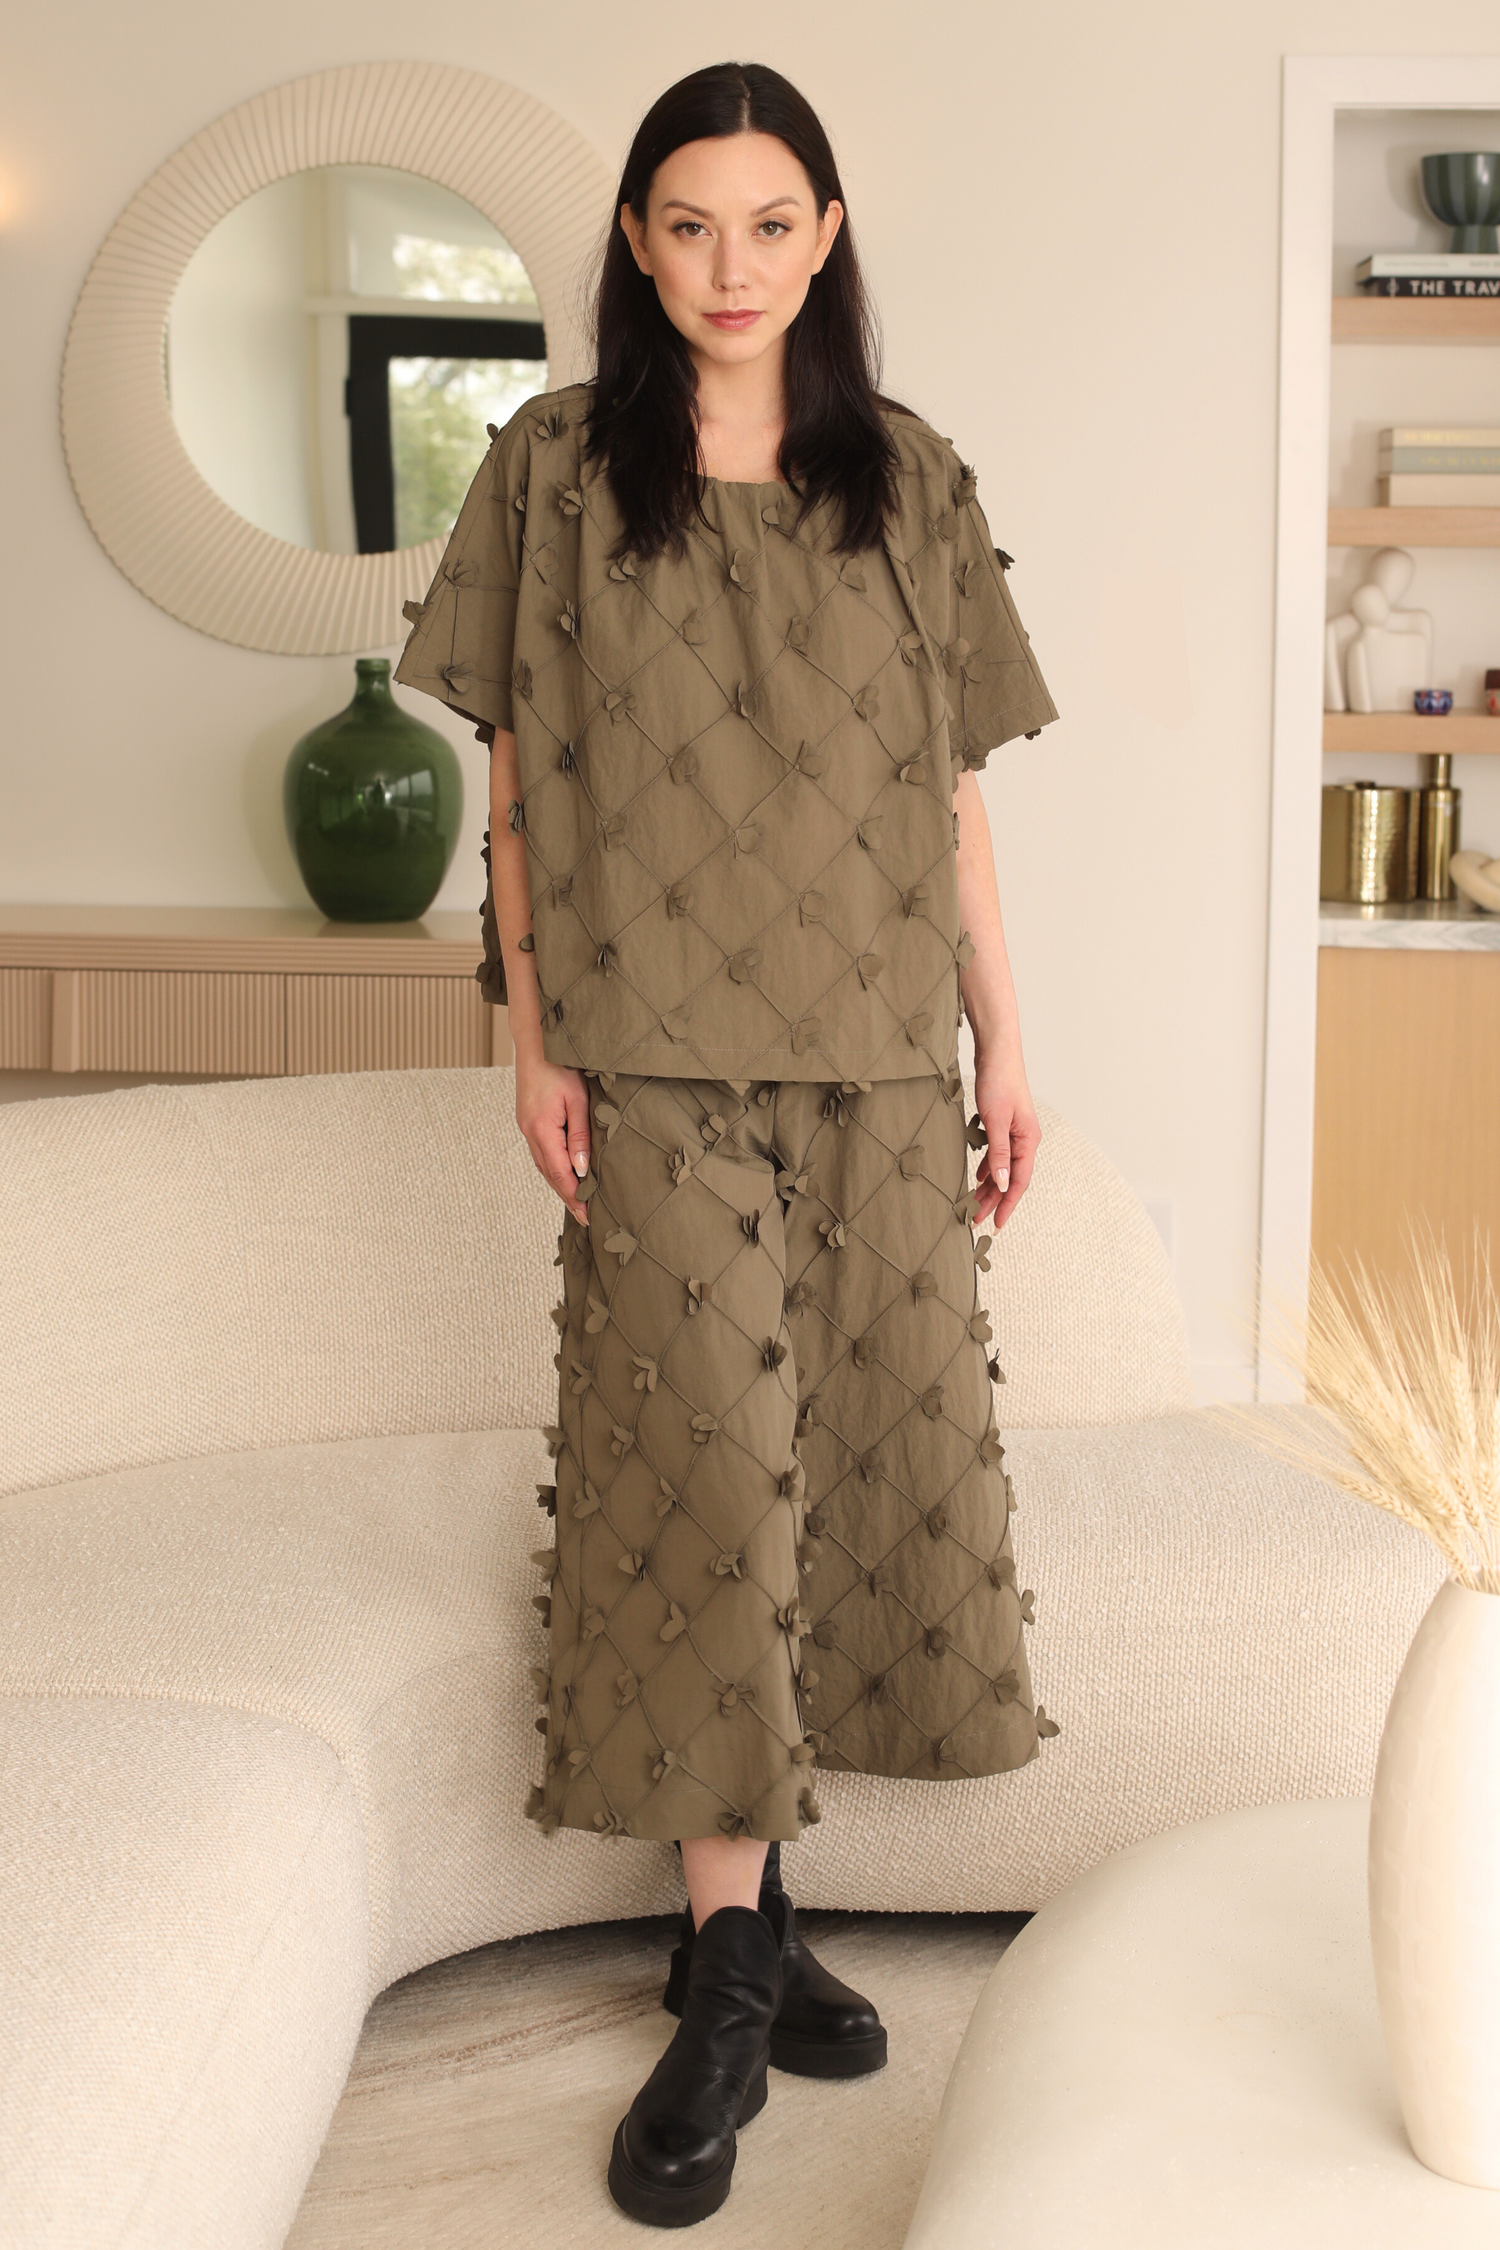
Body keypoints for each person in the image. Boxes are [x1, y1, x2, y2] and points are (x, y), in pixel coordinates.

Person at [395, 56, 1061, 2229]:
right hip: (657, 1069)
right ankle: (721, 1971)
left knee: (861, 1470)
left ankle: (755, 1928)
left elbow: (953, 801)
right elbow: (516, 783)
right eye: (689, 224)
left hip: (880, 1062)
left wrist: (1011, 1045)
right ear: (632, 244)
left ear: (830, 237)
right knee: (699, 1473)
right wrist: (534, 1042)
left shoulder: (912, 481)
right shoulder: (556, 469)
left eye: (771, 224)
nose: (731, 267)